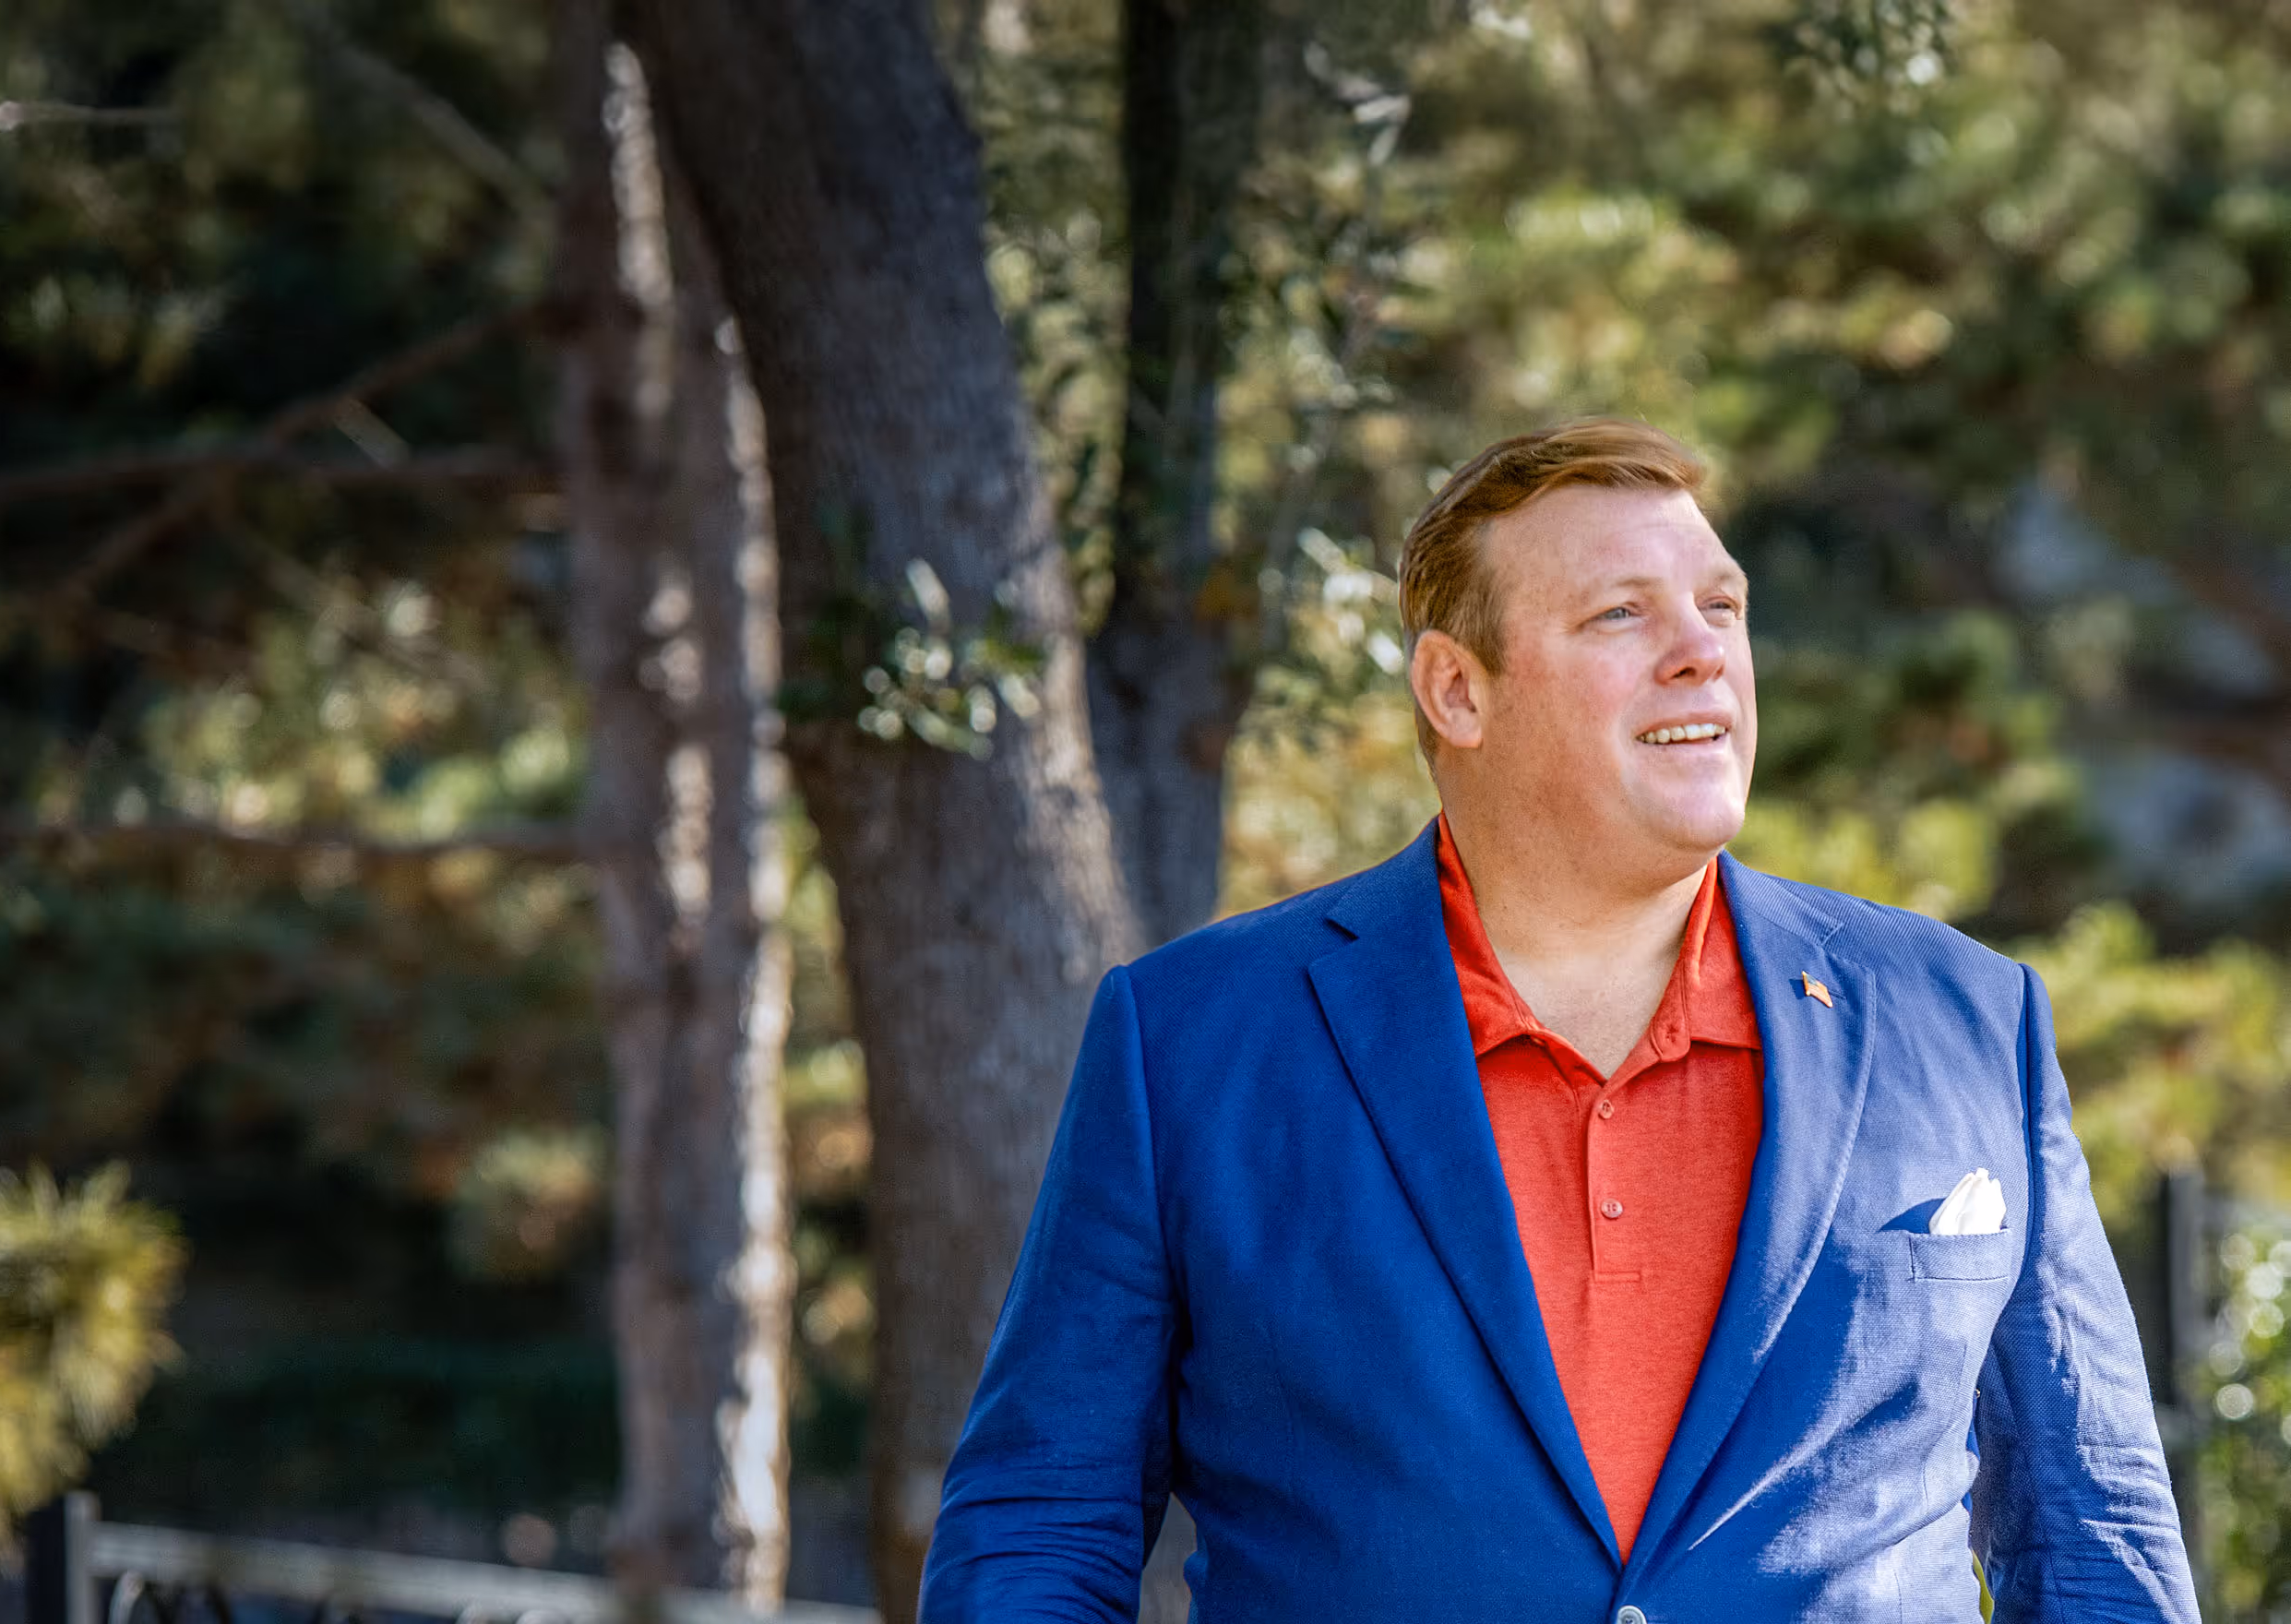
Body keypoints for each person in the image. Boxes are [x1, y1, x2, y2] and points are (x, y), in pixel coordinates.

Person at [917, 419, 2195, 1619]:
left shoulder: (1968, 1017)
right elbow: (1042, 1522)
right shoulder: (1192, 1039)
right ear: (1457, 692)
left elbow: (2095, 1531)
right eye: (1621, 614)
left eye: (1722, 606)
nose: (1701, 649)